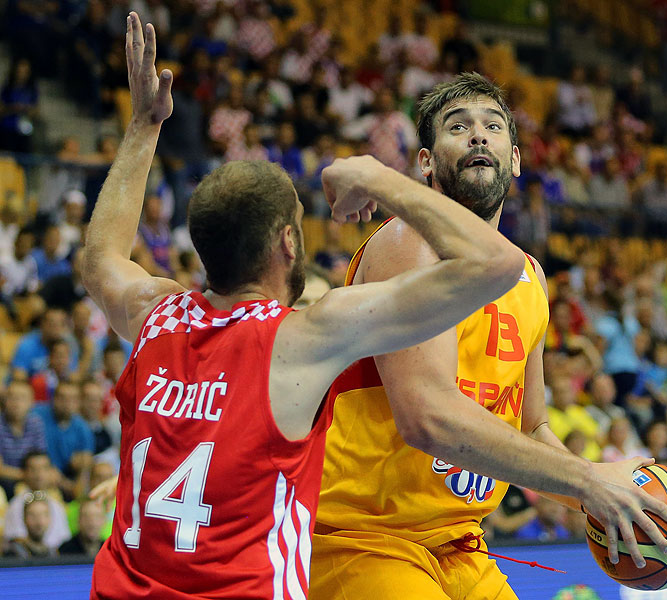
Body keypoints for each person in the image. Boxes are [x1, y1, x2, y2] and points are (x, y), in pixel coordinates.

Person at [85, 13, 525, 599]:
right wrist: (379, 178)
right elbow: (497, 263)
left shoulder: (153, 316)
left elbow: (101, 258)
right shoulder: (301, 339)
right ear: (289, 244)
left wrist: (143, 126)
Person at [312, 73, 667, 600]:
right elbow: (428, 418)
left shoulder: (530, 276)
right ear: (425, 162)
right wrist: (586, 482)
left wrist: (604, 493)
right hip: (362, 538)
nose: (478, 135)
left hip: (460, 544)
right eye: (457, 127)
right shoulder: (408, 243)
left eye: (492, 126)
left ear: (515, 159)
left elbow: (532, 427)